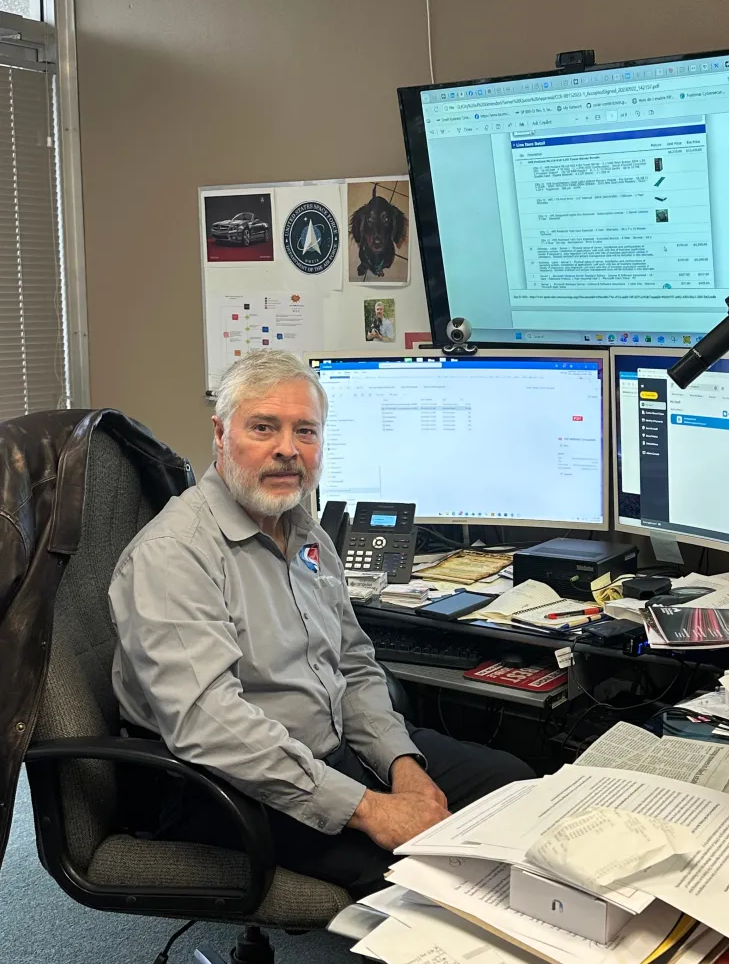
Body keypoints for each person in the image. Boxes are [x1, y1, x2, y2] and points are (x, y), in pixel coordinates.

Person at [109, 350, 533, 893]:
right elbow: (209, 726)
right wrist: (370, 808)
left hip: (331, 753)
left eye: (305, 431)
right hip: (225, 785)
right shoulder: (174, 555)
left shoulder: (305, 533)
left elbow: (352, 665)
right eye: (264, 428)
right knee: (425, 883)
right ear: (220, 433)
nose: (288, 450)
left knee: (514, 788)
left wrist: (401, 763)